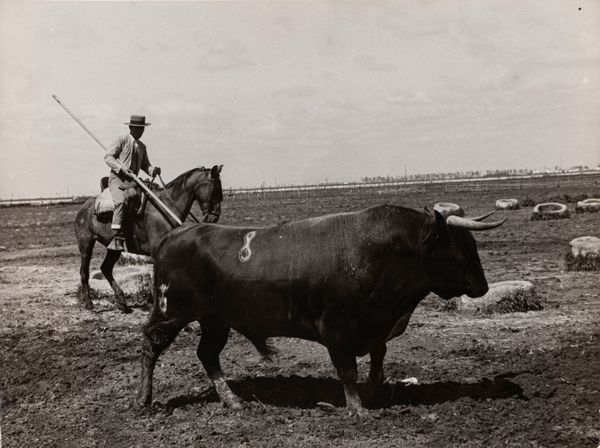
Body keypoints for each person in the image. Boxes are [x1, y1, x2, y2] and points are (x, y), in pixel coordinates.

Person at [104, 115, 161, 250]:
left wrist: (153, 171)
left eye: (142, 129)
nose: (140, 131)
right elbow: (108, 157)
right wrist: (122, 169)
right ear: (130, 128)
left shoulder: (142, 146)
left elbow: (145, 165)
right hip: (117, 179)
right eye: (137, 128)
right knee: (120, 201)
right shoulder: (121, 140)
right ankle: (117, 236)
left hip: (133, 181)